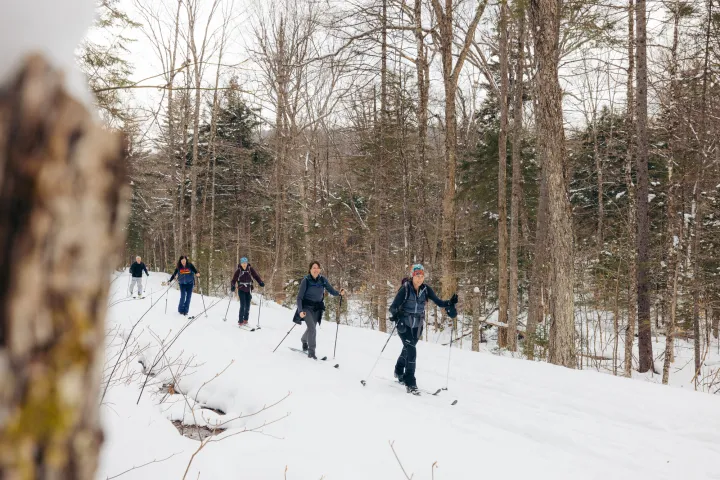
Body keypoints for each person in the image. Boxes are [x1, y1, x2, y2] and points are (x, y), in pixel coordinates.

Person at [388, 264, 458, 394]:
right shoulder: (405, 289)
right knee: (411, 351)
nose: (420, 279)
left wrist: (450, 302)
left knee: (408, 349)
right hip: (404, 324)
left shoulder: (426, 289)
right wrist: (397, 318)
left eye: (422, 276)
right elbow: (392, 307)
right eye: (417, 276)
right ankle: (410, 382)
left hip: (417, 325)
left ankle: (398, 370)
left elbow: (439, 302)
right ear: (412, 276)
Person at [293, 261, 345, 359]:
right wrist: (300, 311)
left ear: (320, 269)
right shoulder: (306, 280)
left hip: (317, 308)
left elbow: (331, 290)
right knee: (312, 328)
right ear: (310, 270)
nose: (316, 269)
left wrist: (339, 293)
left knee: (311, 328)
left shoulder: (322, 280)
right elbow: (299, 298)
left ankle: (303, 340)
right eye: (313, 267)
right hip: (306, 308)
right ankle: (311, 352)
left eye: (317, 267)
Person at [230, 257, 265, 326]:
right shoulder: (238, 271)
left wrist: (260, 282)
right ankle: (240, 321)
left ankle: (245, 320)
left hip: (248, 289)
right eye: (243, 263)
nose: (244, 265)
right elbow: (233, 280)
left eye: (245, 263)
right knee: (242, 305)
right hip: (241, 289)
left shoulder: (250, 269)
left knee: (248, 306)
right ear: (241, 263)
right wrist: (233, 286)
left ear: (247, 263)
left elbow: (256, 276)